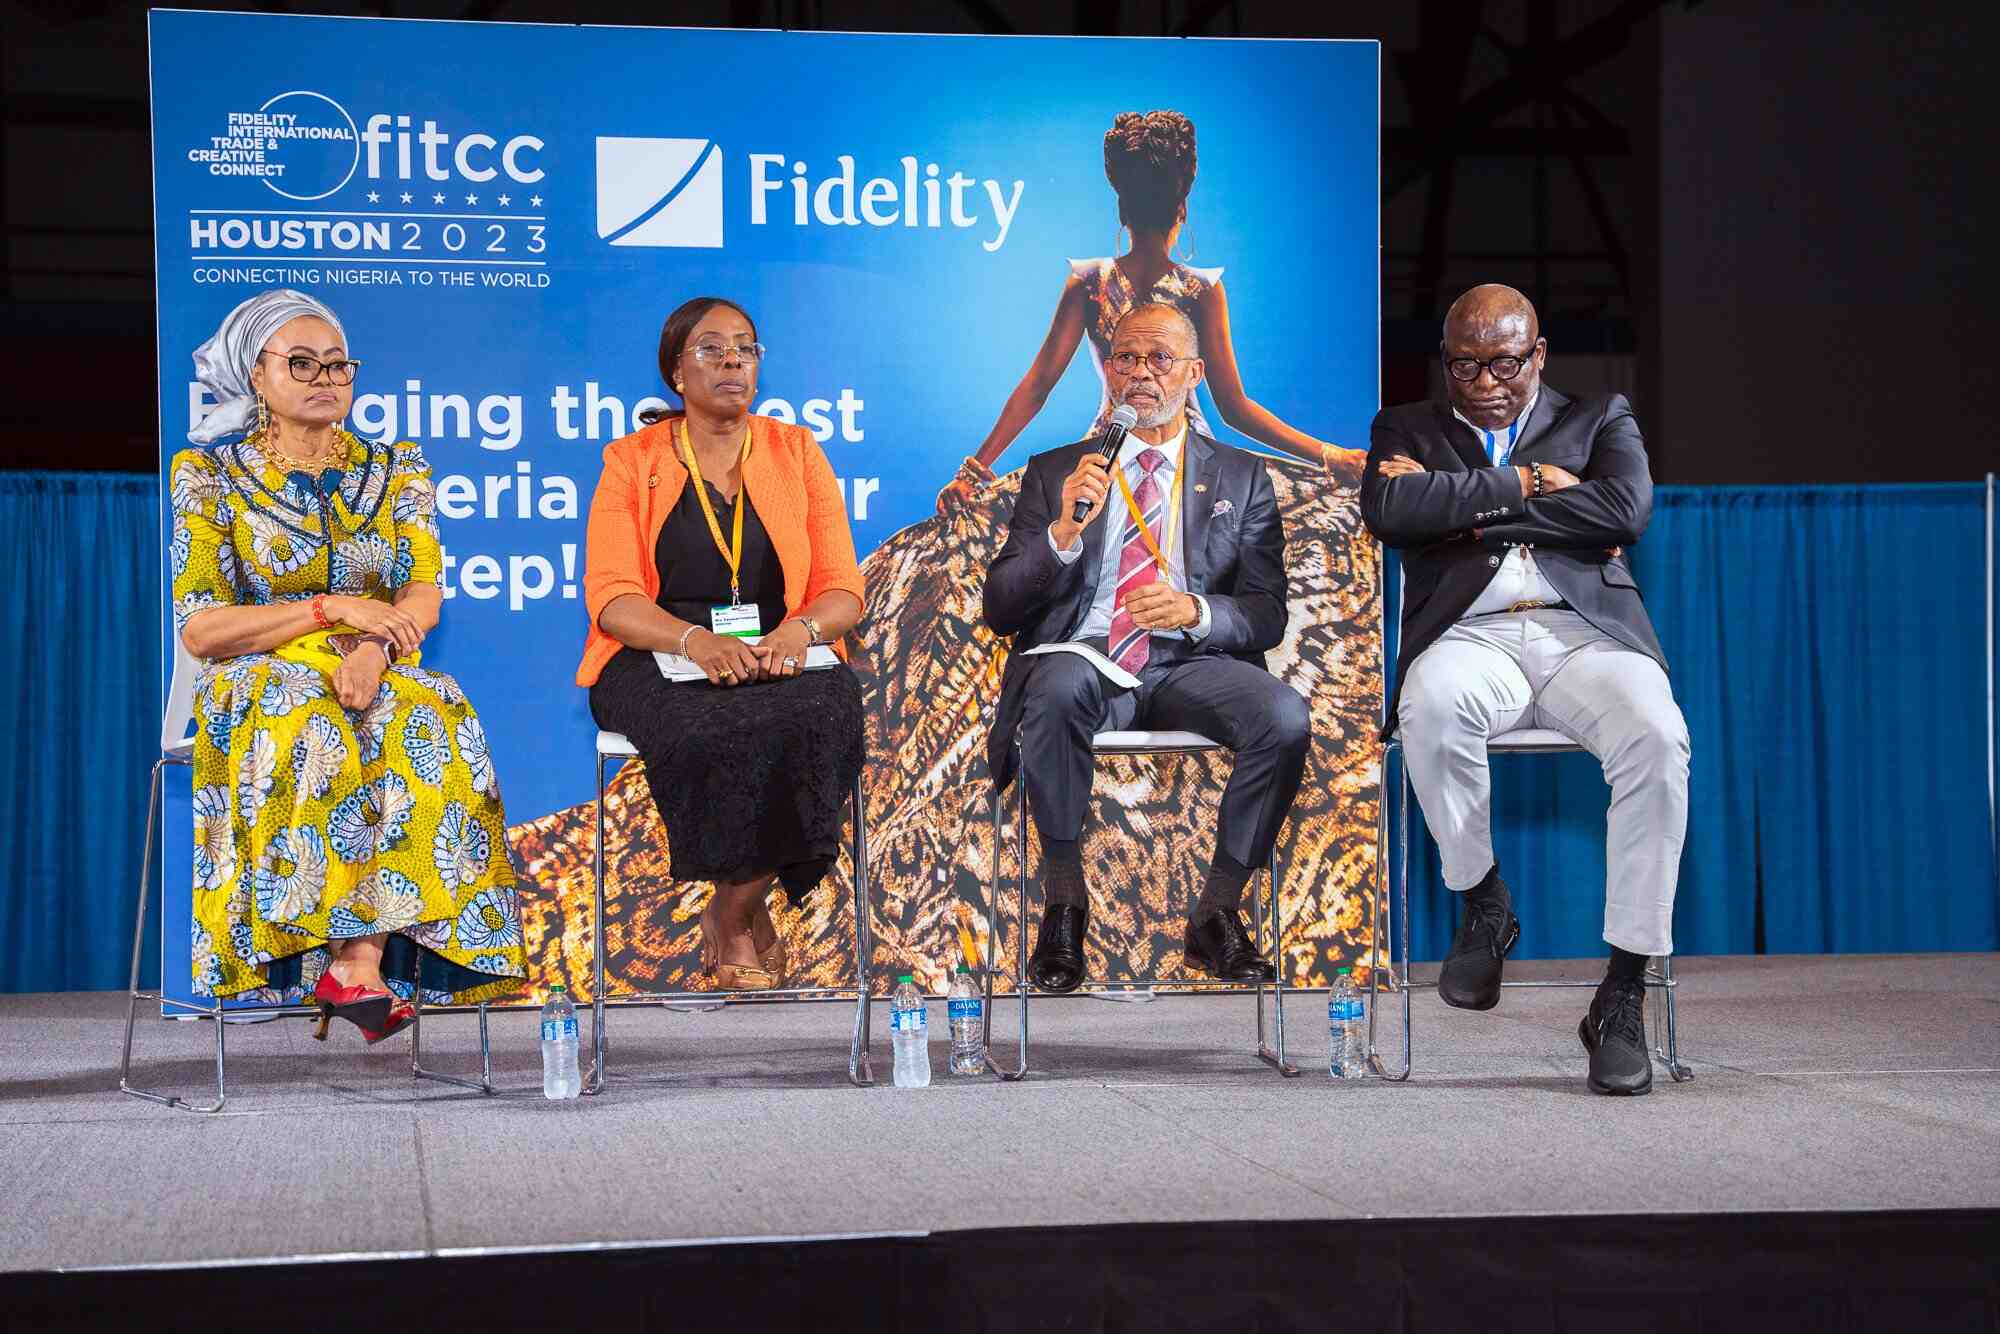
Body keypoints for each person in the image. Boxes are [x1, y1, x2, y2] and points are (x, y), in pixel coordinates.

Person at [1361, 283, 1691, 1096]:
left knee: (1657, 734)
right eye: (1464, 365)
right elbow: (1391, 508)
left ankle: (1621, 992)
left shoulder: (1601, 416)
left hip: (1587, 634)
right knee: (1432, 708)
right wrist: (1532, 485)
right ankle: (1483, 901)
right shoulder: (1405, 428)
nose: (1484, 381)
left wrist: (1467, 512)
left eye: (1504, 362)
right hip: (1468, 636)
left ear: (1538, 354)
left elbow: (1625, 508)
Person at [170, 289, 526, 1042]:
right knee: (310, 714)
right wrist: (335, 610)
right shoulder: (210, 475)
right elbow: (203, 629)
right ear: (255, 377)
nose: (325, 376)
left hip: (375, 658)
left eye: (338, 363)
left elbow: (422, 590)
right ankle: (341, 961)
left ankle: (357, 963)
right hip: (257, 672)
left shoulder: (395, 467)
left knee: (431, 710)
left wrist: (376, 645)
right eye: (300, 363)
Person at [981, 301, 1310, 992]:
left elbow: (1266, 613)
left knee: (1283, 719)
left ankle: (1218, 914)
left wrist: (1198, 611)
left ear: (1193, 374)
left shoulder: (1241, 478)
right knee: (1059, 683)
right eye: (1124, 357)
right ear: (1106, 370)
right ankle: (1065, 904)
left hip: (1192, 663)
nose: (1139, 372)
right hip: (1087, 655)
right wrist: (1063, 535)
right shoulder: (1057, 471)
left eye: (1158, 358)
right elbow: (1001, 608)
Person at [578, 297, 867, 991]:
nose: (733, 360)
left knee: (826, 711)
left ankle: (734, 907)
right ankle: (741, 921)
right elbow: (612, 598)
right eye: (711, 349)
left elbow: (842, 591)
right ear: (676, 371)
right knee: (710, 729)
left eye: (745, 347)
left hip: (777, 649)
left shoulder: (795, 451)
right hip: (655, 653)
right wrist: (693, 640)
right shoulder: (631, 460)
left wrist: (799, 632)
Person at [938, 108, 1364, 515]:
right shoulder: (1201, 290)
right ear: (1183, 207)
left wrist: (972, 474)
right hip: (1190, 467)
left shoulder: (1089, 284)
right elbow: (1234, 407)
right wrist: (1329, 455)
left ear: (1122, 210)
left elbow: (1037, 387)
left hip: (1104, 466)